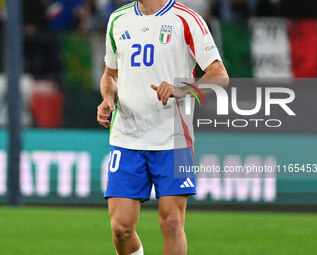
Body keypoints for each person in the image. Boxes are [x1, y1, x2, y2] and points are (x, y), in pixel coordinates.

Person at [97, 0, 229, 254]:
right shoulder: (117, 19)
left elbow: (219, 74)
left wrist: (182, 90)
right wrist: (108, 98)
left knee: (172, 223)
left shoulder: (186, 19)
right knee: (121, 229)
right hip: (127, 137)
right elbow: (111, 74)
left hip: (173, 139)